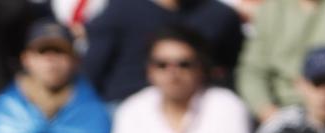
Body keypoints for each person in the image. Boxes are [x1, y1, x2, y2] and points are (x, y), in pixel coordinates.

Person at [81, 0, 243, 104]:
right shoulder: (121, 9)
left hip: (197, 107)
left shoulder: (220, 15)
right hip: (124, 105)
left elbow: (234, 69)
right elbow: (91, 72)